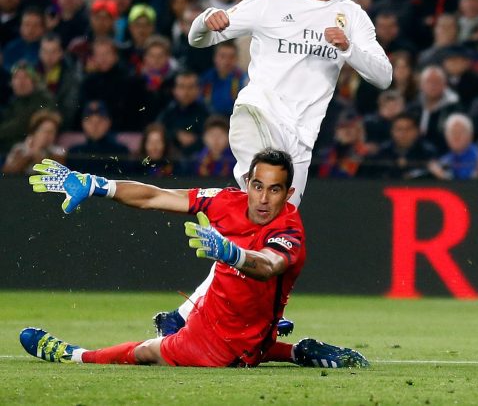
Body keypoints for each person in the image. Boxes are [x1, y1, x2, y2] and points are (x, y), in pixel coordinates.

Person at [156, 0, 391, 337]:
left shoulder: (352, 16)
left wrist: (348, 49)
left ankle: (204, 314)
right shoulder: (269, 4)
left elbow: (385, 77)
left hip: (300, 141)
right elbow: (199, 39)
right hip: (258, 116)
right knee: (264, 218)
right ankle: (193, 313)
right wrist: (204, 19)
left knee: (278, 231)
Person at [21, 149, 369, 369]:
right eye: (258, 186)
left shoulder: (290, 229)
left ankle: (76, 355)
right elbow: (159, 197)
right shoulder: (226, 200)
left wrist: (230, 254)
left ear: (288, 193)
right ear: (247, 183)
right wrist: (100, 185)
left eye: (275, 189)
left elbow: (268, 265)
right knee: (227, 322)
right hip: (235, 323)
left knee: (146, 351)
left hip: (220, 348)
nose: (263, 198)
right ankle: (294, 351)